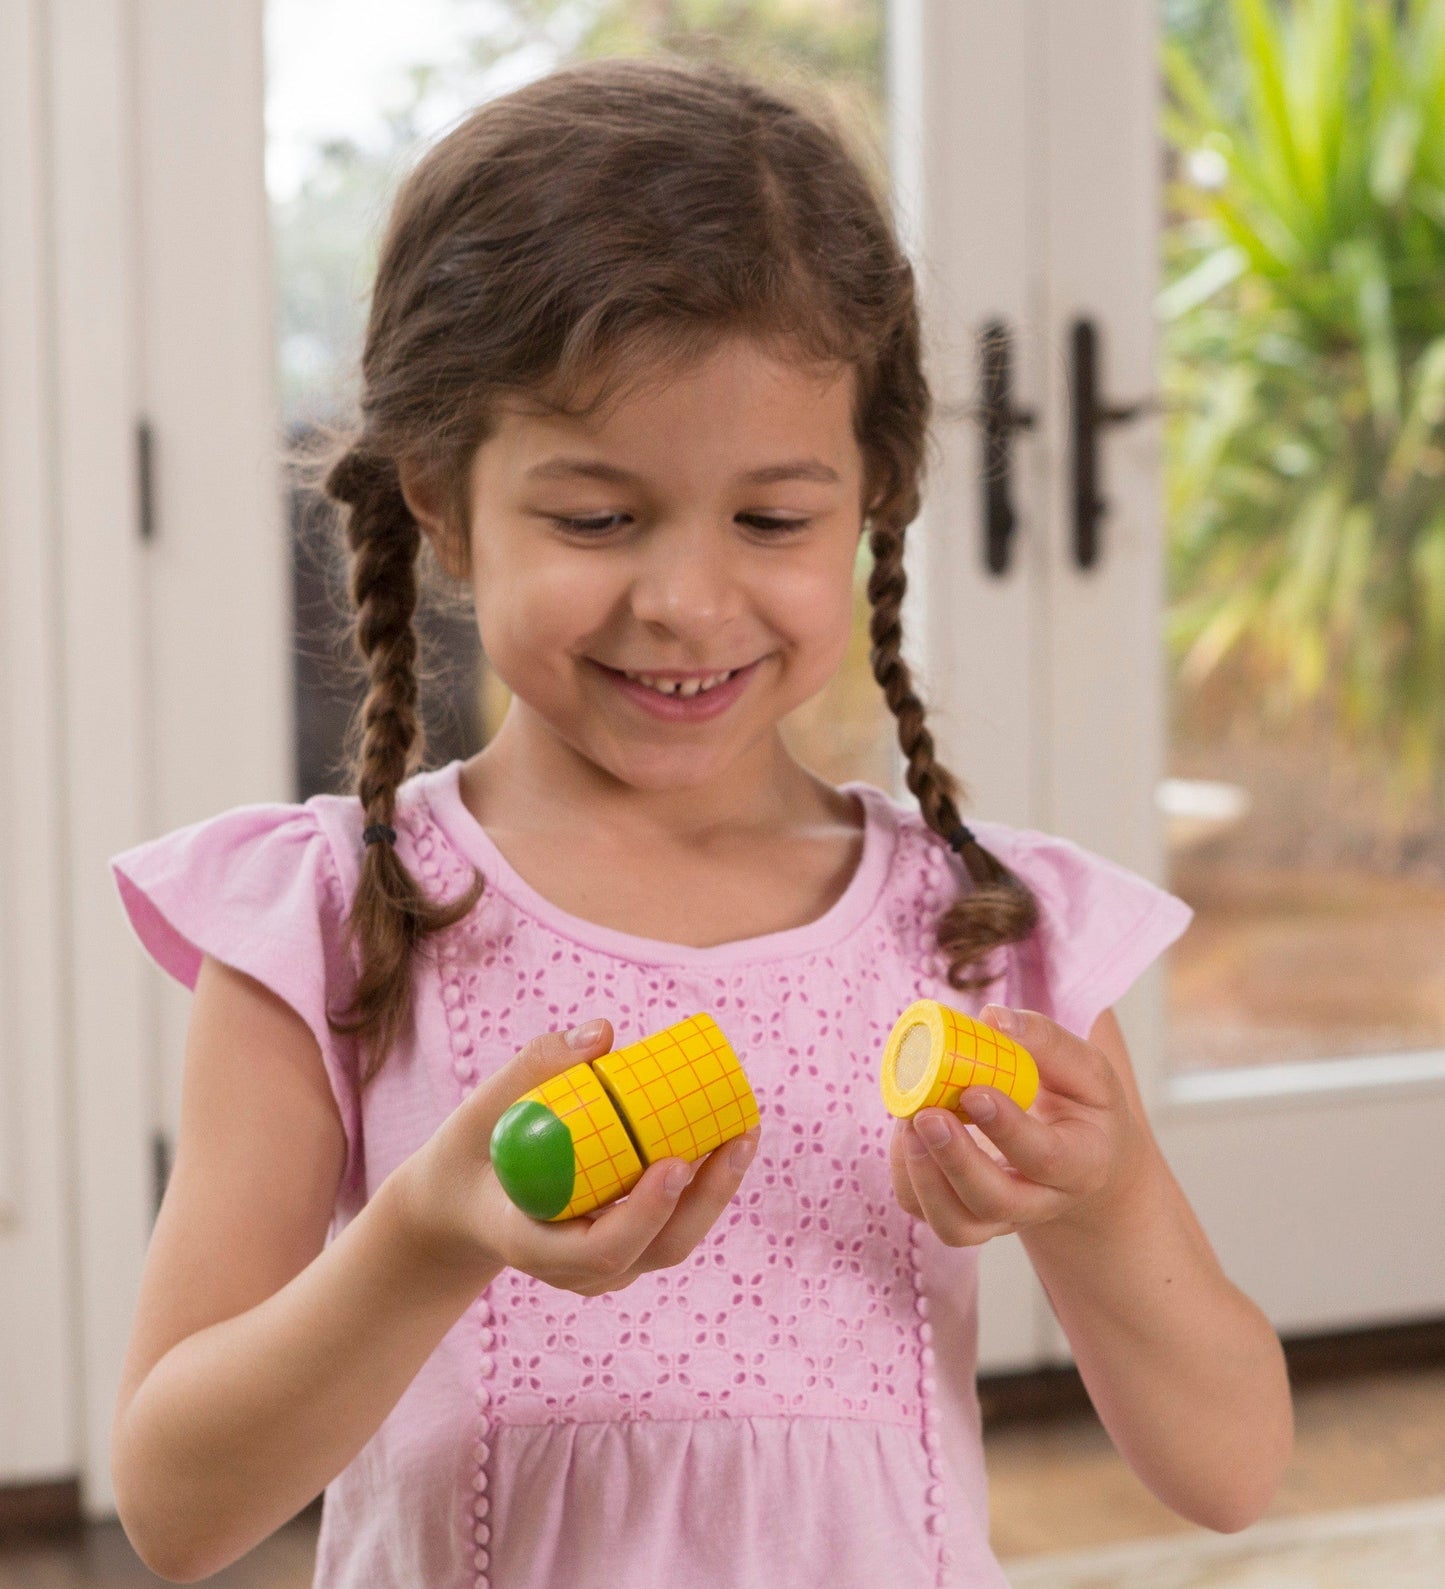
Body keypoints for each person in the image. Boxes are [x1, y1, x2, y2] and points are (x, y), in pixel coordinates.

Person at [107, 54, 1292, 1589]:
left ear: (870, 496)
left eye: (772, 518)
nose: (683, 597)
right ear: (443, 503)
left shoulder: (982, 930)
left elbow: (1232, 1465)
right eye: (596, 517)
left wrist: (1107, 1199)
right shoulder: (340, 916)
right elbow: (174, 1506)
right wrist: (423, 1239)